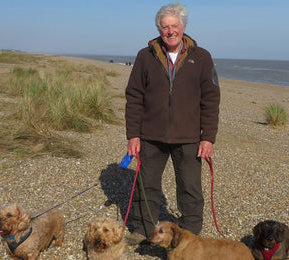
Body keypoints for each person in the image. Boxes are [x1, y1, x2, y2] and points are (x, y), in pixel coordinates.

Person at [124, 2, 220, 244]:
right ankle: (143, 230)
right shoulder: (144, 56)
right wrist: (133, 135)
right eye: (165, 27)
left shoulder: (203, 57)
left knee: (190, 189)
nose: (170, 31)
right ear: (159, 29)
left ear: (183, 26)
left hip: (188, 138)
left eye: (174, 25)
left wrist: (208, 137)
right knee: (147, 186)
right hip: (150, 136)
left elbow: (211, 100)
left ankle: (189, 235)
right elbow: (134, 97)